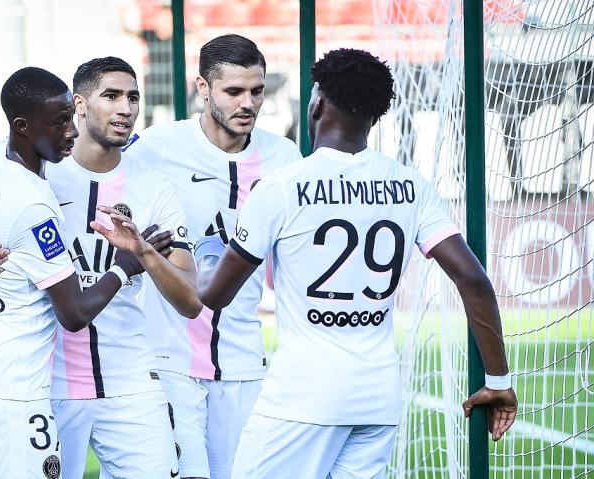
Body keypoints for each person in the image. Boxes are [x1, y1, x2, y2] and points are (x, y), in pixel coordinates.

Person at [195, 48, 518, 478]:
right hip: (377, 401)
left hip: (303, 399)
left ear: (318, 103)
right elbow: (473, 280)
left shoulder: (281, 187)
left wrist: (198, 258)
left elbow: (215, 295)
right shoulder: (411, 185)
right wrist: (498, 381)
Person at [0, 66, 187, 478]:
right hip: (26, 387)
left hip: (8, 376)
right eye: (60, 121)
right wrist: (126, 265)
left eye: (133, 97)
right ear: (24, 126)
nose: (71, 131)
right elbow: (73, 313)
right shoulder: (35, 205)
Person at [123, 34, 302, 479]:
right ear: (203, 87)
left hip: (245, 363)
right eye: (234, 91)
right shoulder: (156, 148)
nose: (248, 103)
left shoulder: (284, 157)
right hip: (170, 360)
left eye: (257, 91)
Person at [45, 56, 200, 479]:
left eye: (133, 97)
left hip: (130, 377)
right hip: (50, 378)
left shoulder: (154, 186)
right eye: (111, 96)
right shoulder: (41, 178)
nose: (125, 108)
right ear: (79, 104)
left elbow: (190, 301)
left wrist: (144, 254)